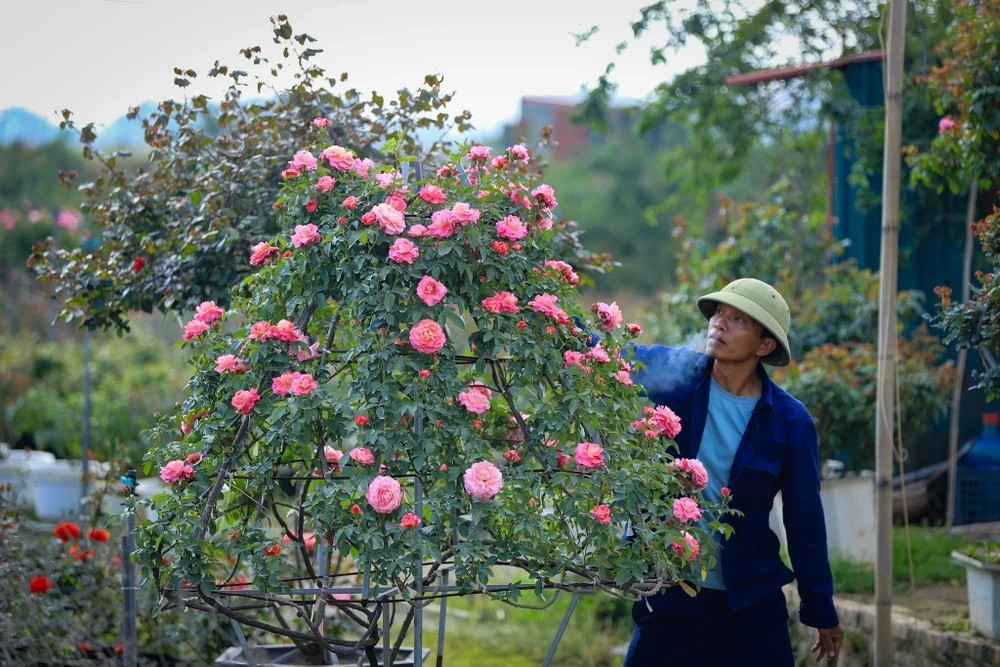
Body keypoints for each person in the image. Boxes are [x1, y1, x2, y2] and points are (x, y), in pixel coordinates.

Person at [621, 278, 844, 666]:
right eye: (719, 313)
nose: (719, 323)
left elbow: (804, 516)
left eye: (738, 319)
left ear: (764, 345)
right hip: (671, 593)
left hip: (750, 602)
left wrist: (820, 608)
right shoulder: (678, 377)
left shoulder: (790, 422)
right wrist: (551, 320)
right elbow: (613, 354)